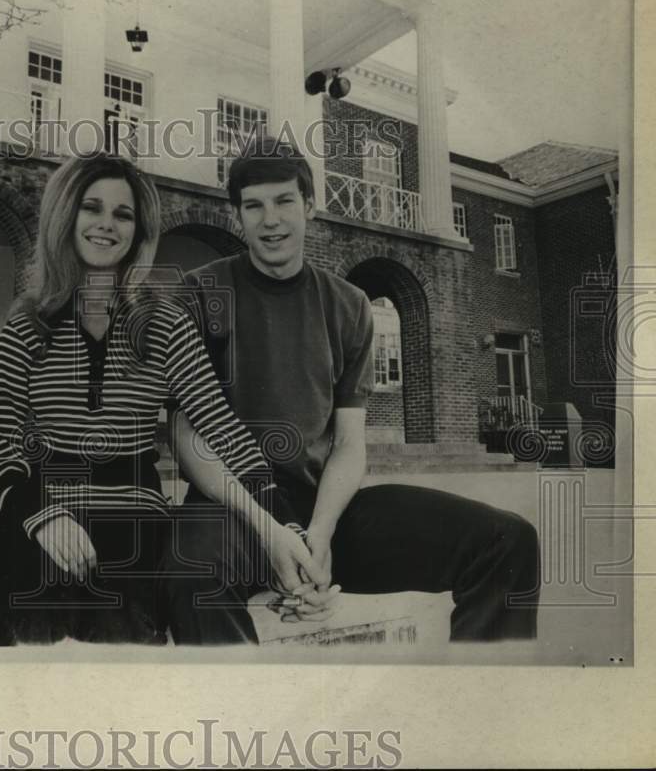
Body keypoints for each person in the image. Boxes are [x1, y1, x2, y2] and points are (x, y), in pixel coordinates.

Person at [161, 137, 541, 644]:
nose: (270, 219)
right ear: (238, 214)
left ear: (310, 207)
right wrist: (274, 535)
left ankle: (479, 704)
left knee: (508, 541)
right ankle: (245, 711)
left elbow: (348, 442)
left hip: (327, 508)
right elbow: (189, 438)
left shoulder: (349, 304)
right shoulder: (199, 292)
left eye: (284, 202)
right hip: (232, 508)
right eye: (253, 206)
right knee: (188, 572)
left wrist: (318, 535)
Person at [0, 151, 325, 645]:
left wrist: (284, 524)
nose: (106, 225)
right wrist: (42, 514)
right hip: (39, 515)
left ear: (138, 232)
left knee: (123, 647)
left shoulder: (164, 323)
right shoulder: (28, 323)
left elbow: (220, 429)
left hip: (132, 522)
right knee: (34, 637)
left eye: (123, 214)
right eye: (91, 208)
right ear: (64, 215)